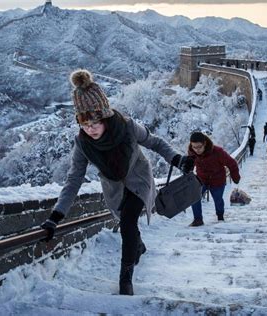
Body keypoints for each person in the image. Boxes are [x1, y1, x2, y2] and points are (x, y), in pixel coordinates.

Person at [40, 69, 194, 296]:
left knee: (128, 223)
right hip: (114, 190)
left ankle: (126, 279)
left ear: (105, 116)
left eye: (94, 122)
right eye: (84, 124)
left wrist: (176, 158)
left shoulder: (127, 127)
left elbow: (154, 142)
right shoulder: (82, 144)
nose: (89, 129)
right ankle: (138, 246)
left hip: (139, 181)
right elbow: (74, 178)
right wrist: (56, 215)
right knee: (128, 226)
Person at [188, 132, 241, 226]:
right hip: (202, 179)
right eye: (194, 147)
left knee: (218, 199)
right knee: (194, 196)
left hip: (217, 179)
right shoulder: (192, 152)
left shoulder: (217, 152)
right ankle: (198, 219)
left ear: (204, 143)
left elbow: (232, 163)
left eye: (199, 147)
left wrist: (235, 177)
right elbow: (190, 164)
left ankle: (220, 216)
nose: (197, 150)